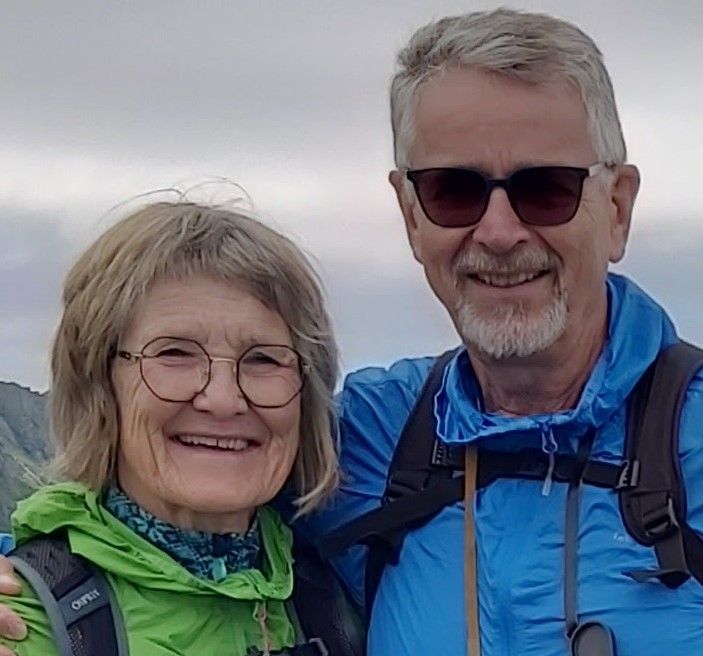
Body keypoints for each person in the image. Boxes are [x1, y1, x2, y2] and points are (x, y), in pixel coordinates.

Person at [2, 7, 703, 656]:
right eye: (452, 191)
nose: (498, 232)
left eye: (545, 189)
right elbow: (161, 503)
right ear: (410, 214)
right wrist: (25, 574)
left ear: (617, 208)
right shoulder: (373, 436)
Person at [0, 200, 364, 656]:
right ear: (99, 385)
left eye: (263, 359)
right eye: (174, 353)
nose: (223, 399)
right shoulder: (27, 624)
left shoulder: (345, 599)